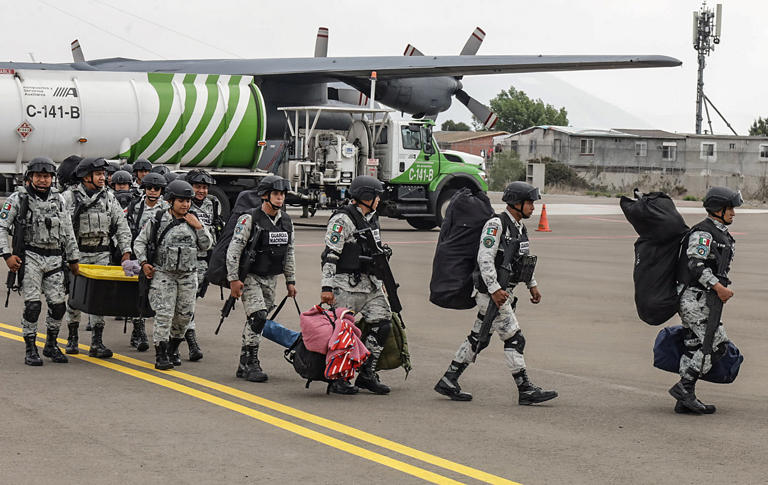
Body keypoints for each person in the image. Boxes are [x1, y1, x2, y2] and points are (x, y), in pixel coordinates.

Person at [434, 181, 558, 405]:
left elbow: (521, 261)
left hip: (503, 292)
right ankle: (525, 388)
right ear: (516, 203)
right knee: (515, 338)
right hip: (490, 293)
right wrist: (494, 289)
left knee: (478, 338)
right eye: (529, 202)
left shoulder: (520, 228)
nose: (533, 207)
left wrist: (532, 284)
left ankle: (449, 379)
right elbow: (485, 258)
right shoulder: (496, 225)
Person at [0, 157, 80, 365]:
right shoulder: (18, 199)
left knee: (59, 306)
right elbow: (1, 227)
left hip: (54, 257)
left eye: (47, 176)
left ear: (52, 179)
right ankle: (30, 346)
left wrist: (73, 258)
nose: (43, 180)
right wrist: (7, 255)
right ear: (30, 177)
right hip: (31, 256)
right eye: (39, 176)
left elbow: (68, 230)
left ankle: (51, 345)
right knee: (33, 305)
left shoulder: (59, 200)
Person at [669, 186, 741, 415]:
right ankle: (684, 387)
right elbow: (695, 264)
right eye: (729, 208)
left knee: (694, 345)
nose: (733, 213)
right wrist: (718, 287)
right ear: (718, 209)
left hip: (704, 299)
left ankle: (684, 400)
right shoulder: (704, 233)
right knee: (716, 344)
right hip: (693, 298)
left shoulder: (720, 233)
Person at [320, 175, 392, 395]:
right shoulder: (342, 220)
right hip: (345, 285)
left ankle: (367, 374)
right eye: (376, 195)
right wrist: (327, 287)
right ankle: (338, 377)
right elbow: (331, 255)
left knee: (384, 323)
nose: (379, 199)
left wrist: (382, 283)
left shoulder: (372, 218)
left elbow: (376, 252)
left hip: (369, 285)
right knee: (343, 333)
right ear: (366, 197)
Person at [133, 180, 212, 370]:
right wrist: (144, 263)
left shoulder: (194, 222)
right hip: (164, 274)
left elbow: (207, 245)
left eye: (187, 201)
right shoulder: (157, 220)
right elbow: (139, 242)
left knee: (184, 316)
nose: (185, 205)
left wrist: (199, 228)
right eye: (180, 201)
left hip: (187, 276)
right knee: (164, 314)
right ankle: (161, 354)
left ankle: (173, 348)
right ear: (170, 201)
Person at [62, 157, 133, 358]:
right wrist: (71, 257)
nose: (103, 177)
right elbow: (64, 228)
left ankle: (97, 342)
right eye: (99, 174)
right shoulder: (69, 198)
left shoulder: (109, 198)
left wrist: (126, 251)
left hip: (102, 254)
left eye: (104, 174)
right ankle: (72, 337)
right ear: (86, 177)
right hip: (78, 254)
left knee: (98, 298)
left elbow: (121, 225)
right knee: (75, 297)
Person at [227, 175, 296, 382]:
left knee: (259, 319)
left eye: (282, 194)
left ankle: (243, 362)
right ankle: (251, 362)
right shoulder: (249, 219)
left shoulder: (286, 221)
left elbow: (289, 252)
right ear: (265, 196)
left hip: (270, 278)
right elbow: (234, 250)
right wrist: (233, 279)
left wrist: (290, 281)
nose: (280, 198)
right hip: (250, 277)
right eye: (276, 194)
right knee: (257, 317)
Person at [180, 169, 222, 362]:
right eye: (198, 186)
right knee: (186, 302)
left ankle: (183, 333)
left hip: (204, 260)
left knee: (190, 301)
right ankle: (190, 340)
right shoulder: (182, 203)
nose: (202, 191)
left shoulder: (212, 204)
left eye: (205, 187)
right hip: (183, 260)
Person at [125, 172, 169, 352]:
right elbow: (124, 228)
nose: (152, 191)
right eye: (149, 188)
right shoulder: (135, 207)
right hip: (140, 255)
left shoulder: (167, 208)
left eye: (156, 188)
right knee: (140, 293)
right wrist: (127, 253)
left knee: (162, 297)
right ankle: (138, 330)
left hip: (161, 258)